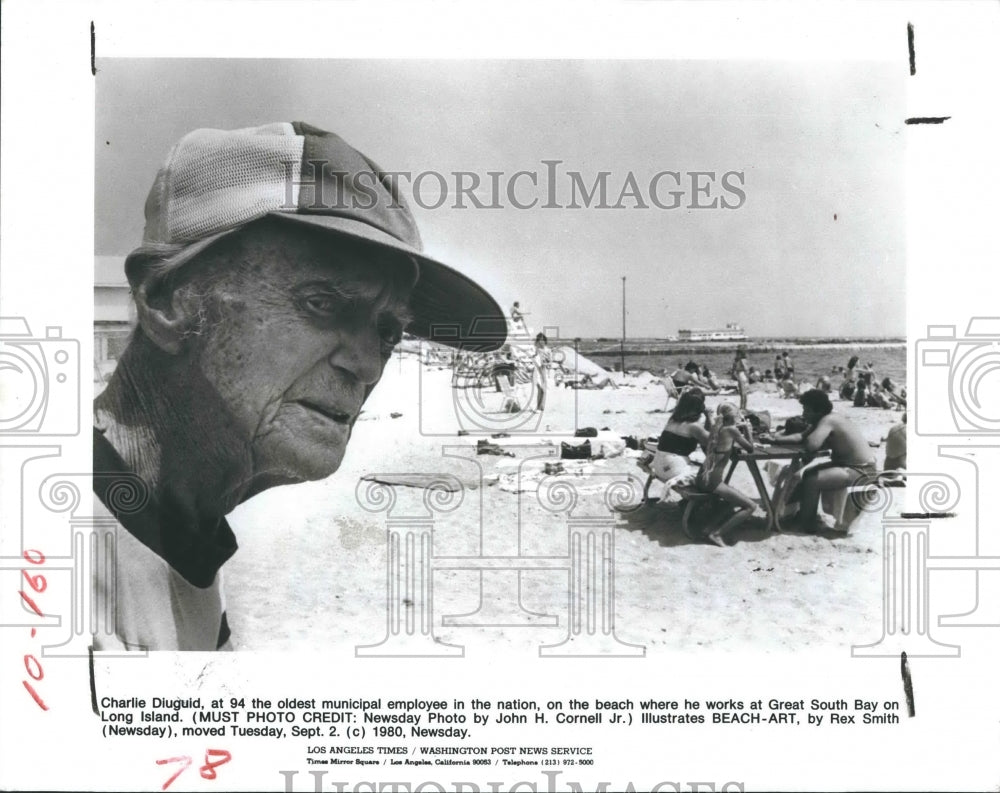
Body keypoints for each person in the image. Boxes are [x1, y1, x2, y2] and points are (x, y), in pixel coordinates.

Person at [92, 122, 506, 651]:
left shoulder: (178, 540)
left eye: (386, 331)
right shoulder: (43, 566)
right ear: (168, 299)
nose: (368, 366)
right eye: (322, 302)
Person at [761, 389, 877, 532]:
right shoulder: (825, 419)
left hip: (862, 470)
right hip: (850, 465)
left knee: (811, 479)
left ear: (818, 410)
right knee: (804, 474)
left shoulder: (829, 420)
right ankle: (801, 514)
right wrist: (775, 439)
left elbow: (811, 445)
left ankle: (808, 524)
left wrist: (810, 433)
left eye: (806, 410)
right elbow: (800, 437)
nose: (803, 414)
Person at [694, 403, 759, 547]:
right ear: (733, 417)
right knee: (751, 506)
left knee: (730, 501)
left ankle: (708, 528)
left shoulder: (717, 428)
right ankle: (716, 534)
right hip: (712, 481)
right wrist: (748, 430)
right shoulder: (732, 430)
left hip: (702, 477)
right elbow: (750, 449)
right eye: (738, 415)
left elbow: (721, 445)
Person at [648, 388, 711, 497]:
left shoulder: (672, 420)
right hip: (672, 469)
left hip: (658, 465)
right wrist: (710, 416)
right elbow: (712, 441)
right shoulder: (694, 427)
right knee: (709, 476)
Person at [532, 332, 551, 411]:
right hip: (537, 370)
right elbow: (534, 359)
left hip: (544, 370)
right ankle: (539, 406)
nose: (541, 342)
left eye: (543, 340)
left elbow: (550, 362)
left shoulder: (548, 350)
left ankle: (541, 406)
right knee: (539, 388)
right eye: (539, 340)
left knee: (543, 389)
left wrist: (546, 363)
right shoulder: (537, 349)